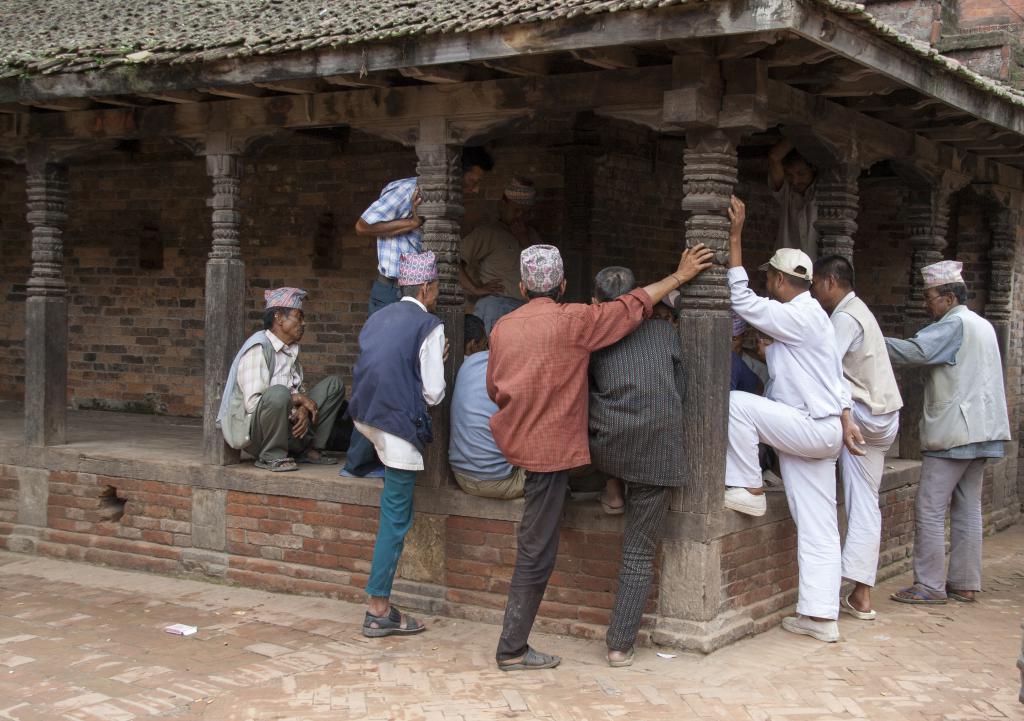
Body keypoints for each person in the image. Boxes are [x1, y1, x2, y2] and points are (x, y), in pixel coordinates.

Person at [487, 241, 714, 671]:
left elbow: (496, 391)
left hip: (545, 449)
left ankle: (611, 489)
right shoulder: (578, 323)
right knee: (542, 552)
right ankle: (521, 649)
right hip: (583, 453)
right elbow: (635, 306)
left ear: (521, 286)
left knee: (541, 541)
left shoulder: (503, 328)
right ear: (563, 285)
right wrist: (680, 277)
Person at [724, 197, 850, 643]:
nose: (767, 284)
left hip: (810, 427)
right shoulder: (816, 315)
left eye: (769, 278)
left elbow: (740, 299)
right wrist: (847, 417)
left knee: (736, 403)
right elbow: (837, 379)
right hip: (823, 428)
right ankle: (821, 617)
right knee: (817, 521)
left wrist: (736, 236)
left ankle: (750, 486)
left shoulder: (797, 315)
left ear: (779, 279)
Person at [343, 148, 494, 480]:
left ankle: (389, 459)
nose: (476, 189)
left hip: (417, 294)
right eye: (474, 180)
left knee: (404, 375)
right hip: (393, 291)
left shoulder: (446, 201)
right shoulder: (409, 190)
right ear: (458, 172)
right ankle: (356, 464)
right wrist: (412, 222)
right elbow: (362, 226)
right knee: (381, 372)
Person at [885, 260, 1010, 605]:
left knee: (929, 505)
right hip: (983, 429)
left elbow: (915, 351)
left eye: (931, 297)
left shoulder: (953, 324)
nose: (927, 304)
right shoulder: (980, 324)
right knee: (968, 508)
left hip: (956, 431)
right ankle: (965, 582)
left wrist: (866, 339)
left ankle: (929, 584)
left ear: (949, 297)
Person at [586, 266, 686, 667]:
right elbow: (681, 391)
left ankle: (612, 488)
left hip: (610, 448)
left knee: (597, 415)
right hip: (658, 451)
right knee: (639, 552)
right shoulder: (665, 334)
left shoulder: (592, 342)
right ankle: (619, 646)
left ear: (596, 304)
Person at [347, 252, 448, 637]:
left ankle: (379, 604)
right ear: (426, 288)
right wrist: (438, 358)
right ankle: (378, 608)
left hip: (365, 416)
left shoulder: (378, 317)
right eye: (436, 288)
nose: (436, 294)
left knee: (393, 502)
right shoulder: (429, 324)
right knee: (395, 518)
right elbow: (434, 394)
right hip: (396, 427)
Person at [811, 255, 903, 620]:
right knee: (865, 503)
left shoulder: (845, 318)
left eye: (816, 284)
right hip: (886, 416)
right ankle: (861, 595)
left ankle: (839, 589)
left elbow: (824, 368)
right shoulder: (861, 310)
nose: (815, 291)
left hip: (864, 416)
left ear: (831, 282)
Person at [217, 288, 344, 472]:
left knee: (333, 385)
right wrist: (298, 402)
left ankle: (308, 449)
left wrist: (302, 409)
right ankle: (271, 456)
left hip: (289, 427)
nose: (303, 323)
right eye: (298, 317)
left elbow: (297, 391)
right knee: (279, 393)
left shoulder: (290, 350)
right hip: (259, 435)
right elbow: (254, 405)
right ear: (279, 318)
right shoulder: (258, 348)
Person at [449, 315, 525, 500]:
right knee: (555, 458)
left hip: (460, 474)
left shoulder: (465, 366)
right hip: (496, 481)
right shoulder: (508, 370)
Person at [461, 177, 542, 333]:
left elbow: (544, 268)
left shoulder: (531, 235)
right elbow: (453, 261)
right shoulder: (488, 232)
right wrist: (475, 288)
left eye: (524, 213)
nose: (519, 216)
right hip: (497, 308)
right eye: (516, 210)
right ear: (503, 205)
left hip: (528, 309)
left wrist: (524, 239)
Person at [768, 138, 818, 260]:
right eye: (790, 175)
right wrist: (800, 132)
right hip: (786, 269)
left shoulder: (824, 192)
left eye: (801, 174)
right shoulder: (786, 192)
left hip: (817, 270)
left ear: (813, 169)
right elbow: (774, 157)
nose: (795, 181)